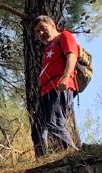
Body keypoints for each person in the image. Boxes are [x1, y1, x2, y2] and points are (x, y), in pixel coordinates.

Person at [31, 14, 80, 155]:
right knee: (38, 129)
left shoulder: (65, 36)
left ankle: (74, 154)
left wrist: (65, 78)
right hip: (46, 90)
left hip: (60, 86)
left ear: (52, 25)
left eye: (43, 28)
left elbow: (72, 55)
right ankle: (41, 160)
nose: (40, 33)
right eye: (37, 32)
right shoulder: (48, 49)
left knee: (54, 123)